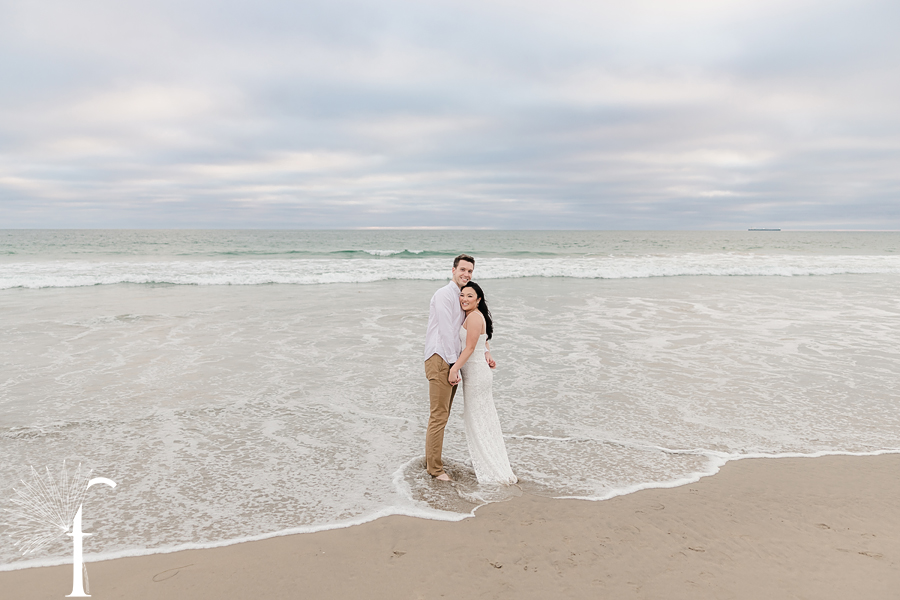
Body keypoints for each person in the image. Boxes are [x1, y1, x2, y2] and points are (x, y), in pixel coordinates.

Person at [424, 254, 495, 481]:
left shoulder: (463, 297)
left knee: (441, 416)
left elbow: (469, 333)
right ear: (452, 270)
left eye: (470, 271)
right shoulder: (445, 295)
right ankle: (435, 469)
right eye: (462, 269)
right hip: (440, 358)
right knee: (439, 416)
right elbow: (446, 332)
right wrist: (454, 365)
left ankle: (431, 459)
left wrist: (485, 351)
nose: (466, 274)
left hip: (451, 360)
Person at [449, 281, 517, 485]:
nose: (464, 299)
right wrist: (487, 352)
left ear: (478, 300)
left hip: (477, 376)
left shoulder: (474, 317)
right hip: (477, 373)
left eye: (470, 296)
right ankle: (489, 461)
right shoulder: (473, 316)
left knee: (479, 420)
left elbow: (469, 348)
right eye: (462, 295)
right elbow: (482, 340)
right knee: (480, 419)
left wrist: (454, 369)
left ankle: (493, 468)